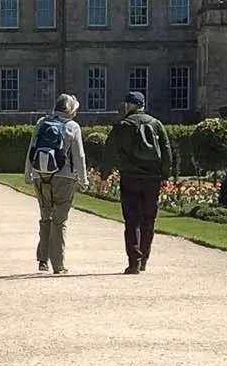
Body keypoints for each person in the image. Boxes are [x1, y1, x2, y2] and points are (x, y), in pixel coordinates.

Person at [104, 91, 174, 274]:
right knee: (149, 219)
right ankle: (144, 259)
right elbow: (166, 151)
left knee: (132, 220)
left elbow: (109, 151)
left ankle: (134, 261)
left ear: (128, 105)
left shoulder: (122, 125)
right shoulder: (156, 123)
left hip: (130, 177)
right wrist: (166, 176)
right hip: (152, 178)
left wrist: (104, 175)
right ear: (142, 105)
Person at [24, 93, 89, 275]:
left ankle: (43, 261)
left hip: (40, 175)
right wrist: (83, 180)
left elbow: (32, 148)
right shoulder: (72, 126)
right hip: (64, 177)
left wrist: (28, 173)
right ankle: (58, 265)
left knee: (45, 218)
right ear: (70, 110)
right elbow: (79, 156)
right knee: (59, 222)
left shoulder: (42, 122)